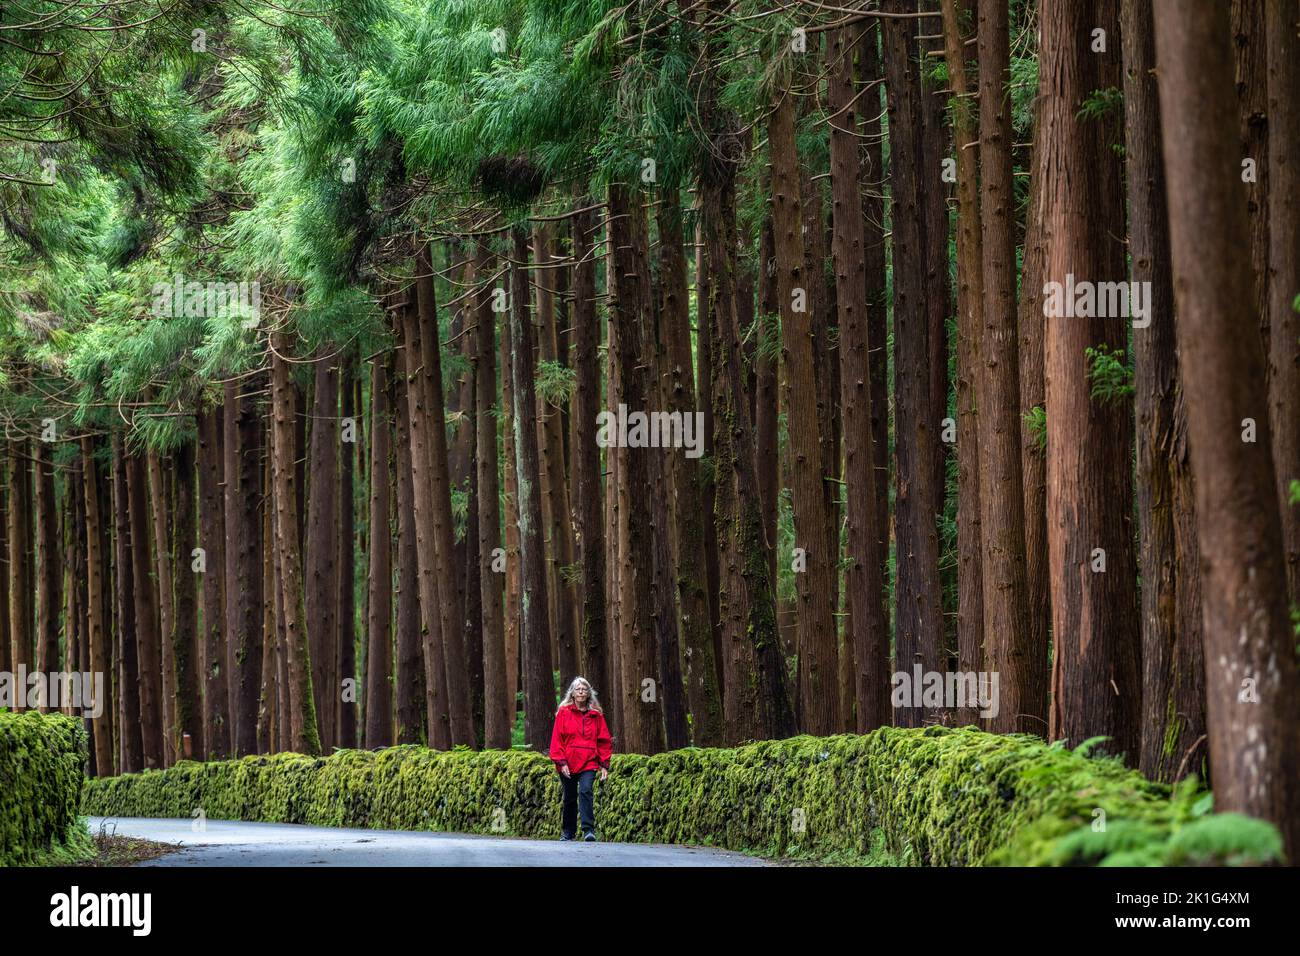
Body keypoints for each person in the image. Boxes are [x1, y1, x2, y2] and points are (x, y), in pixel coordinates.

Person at [548, 677, 612, 842]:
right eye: (578, 689)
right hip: (567, 762)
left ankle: (588, 830)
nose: (581, 692)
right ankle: (568, 832)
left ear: (589, 693)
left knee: (585, 791)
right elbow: (557, 739)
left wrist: (604, 764)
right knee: (569, 797)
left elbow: (604, 740)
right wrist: (561, 762)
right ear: (573, 693)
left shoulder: (596, 715)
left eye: (584, 689)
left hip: (589, 761)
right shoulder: (563, 713)